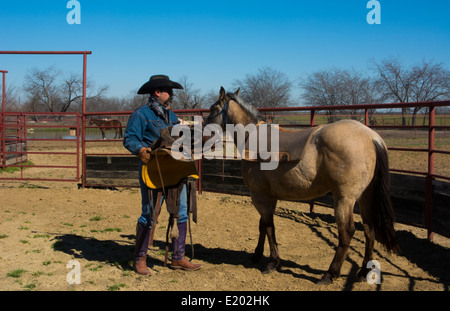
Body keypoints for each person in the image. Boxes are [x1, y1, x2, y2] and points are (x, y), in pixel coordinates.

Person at [123, 75, 202, 276]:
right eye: (169, 91)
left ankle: (178, 258)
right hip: (153, 171)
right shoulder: (141, 115)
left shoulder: (171, 115)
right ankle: (140, 258)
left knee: (181, 212)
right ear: (158, 92)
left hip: (175, 171)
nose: (172, 94)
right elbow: (130, 138)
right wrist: (140, 150)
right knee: (149, 214)